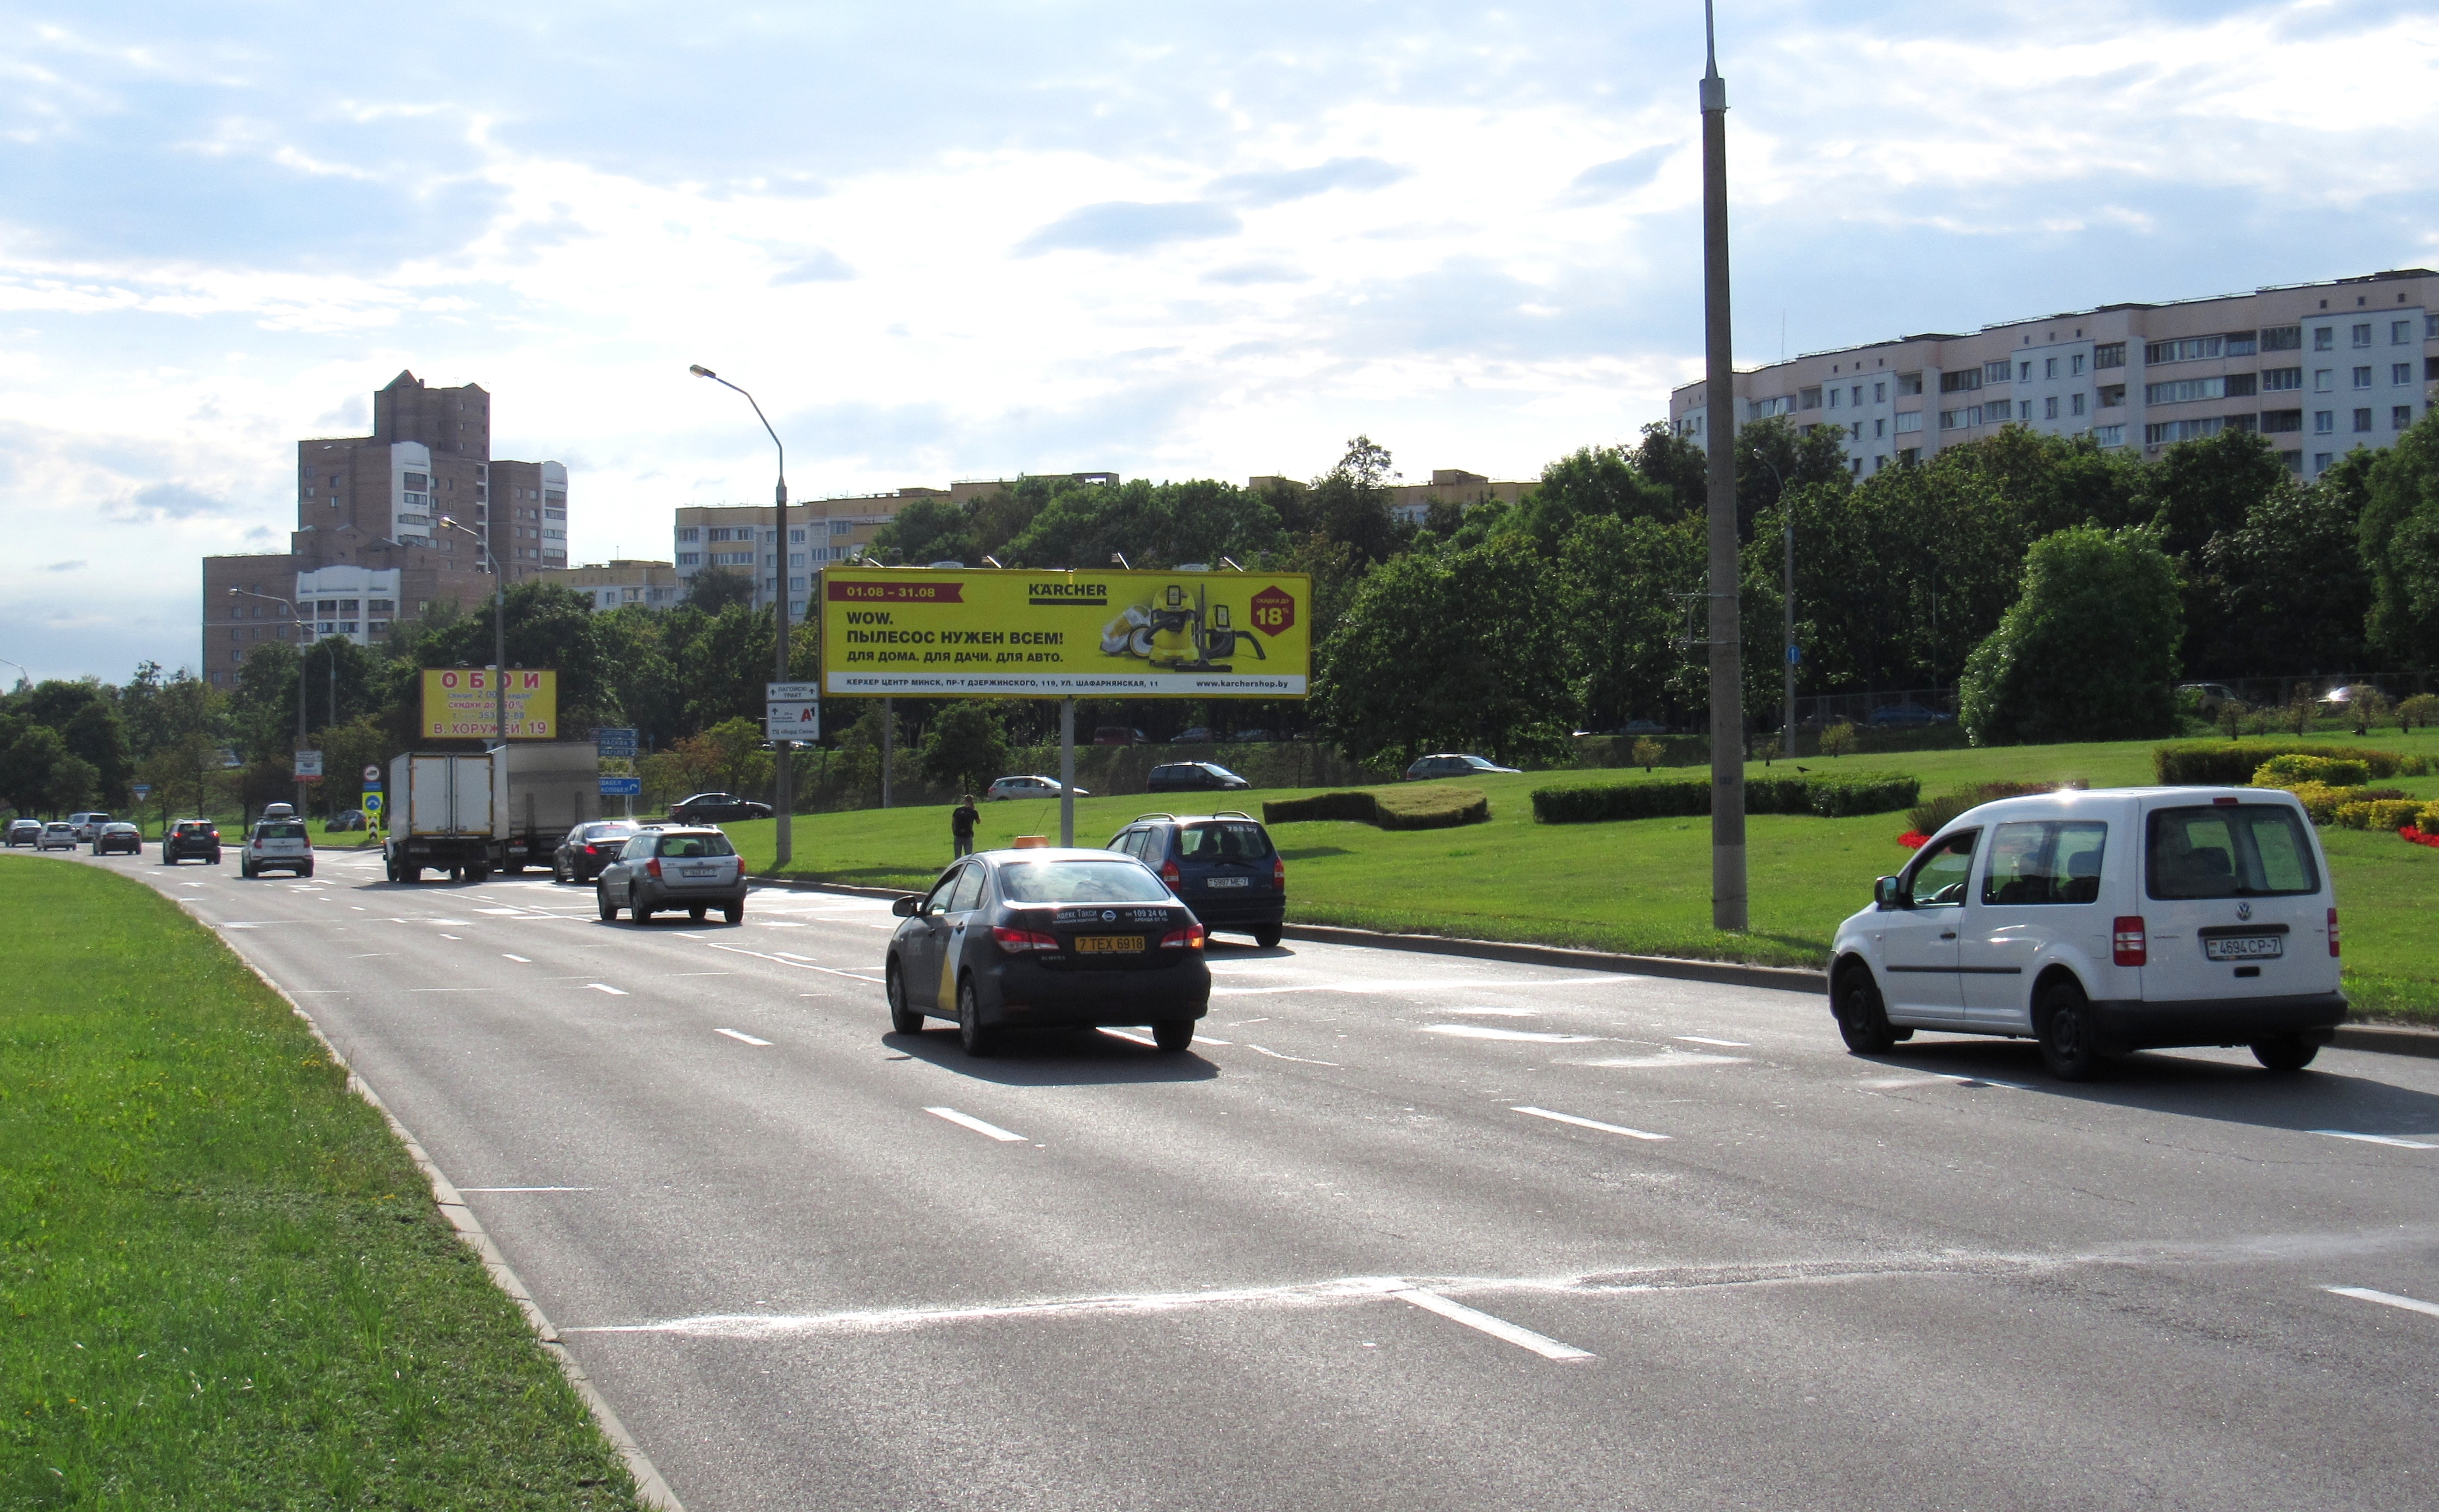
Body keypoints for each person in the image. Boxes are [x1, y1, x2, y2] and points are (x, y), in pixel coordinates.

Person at [951, 793, 979, 858]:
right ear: (972, 801)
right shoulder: (973, 812)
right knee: (968, 855)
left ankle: (957, 867)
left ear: (965, 801)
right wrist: (974, 809)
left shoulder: (957, 810)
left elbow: (953, 822)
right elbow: (978, 822)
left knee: (957, 856)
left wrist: (954, 832)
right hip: (968, 834)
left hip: (958, 834)